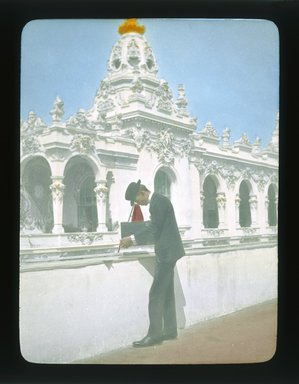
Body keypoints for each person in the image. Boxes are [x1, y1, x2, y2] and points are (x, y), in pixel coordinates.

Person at [119, 180, 185, 347]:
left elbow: (154, 228)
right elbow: (156, 227)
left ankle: (154, 335)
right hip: (169, 252)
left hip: (166, 254)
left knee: (155, 295)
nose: (138, 204)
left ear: (142, 193)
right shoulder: (159, 201)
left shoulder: (158, 203)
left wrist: (131, 239)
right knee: (167, 292)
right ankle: (170, 330)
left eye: (137, 200)